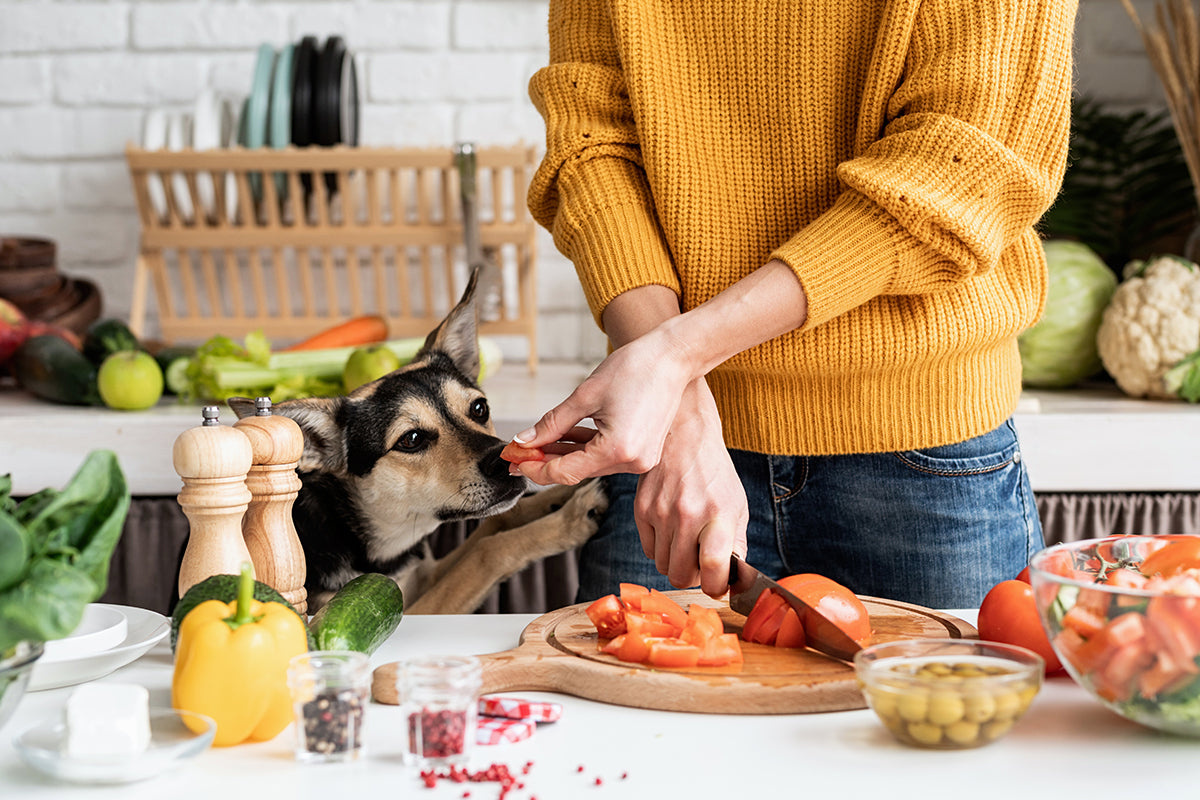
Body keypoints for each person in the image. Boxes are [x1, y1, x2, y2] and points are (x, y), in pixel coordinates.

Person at [513, 1, 1078, 609]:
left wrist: (673, 362)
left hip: (921, 450)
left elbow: (959, 171)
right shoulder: (674, 415)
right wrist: (679, 410)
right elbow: (591, 146)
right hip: (668, 447)